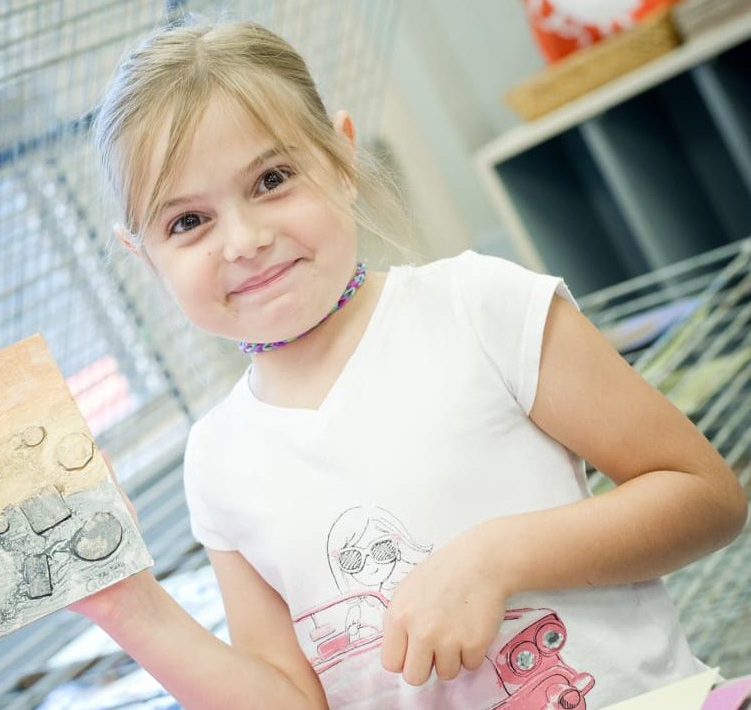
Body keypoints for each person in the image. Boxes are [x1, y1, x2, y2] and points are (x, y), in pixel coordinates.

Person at [71, 19, 748, 709]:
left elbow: (707, 498)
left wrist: (494, 557)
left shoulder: (477, 306)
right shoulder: (216, 461)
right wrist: (131, 608)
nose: (244, 241)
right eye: (188, 222)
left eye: (272, 179)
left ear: (341, 157)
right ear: (143, 255)